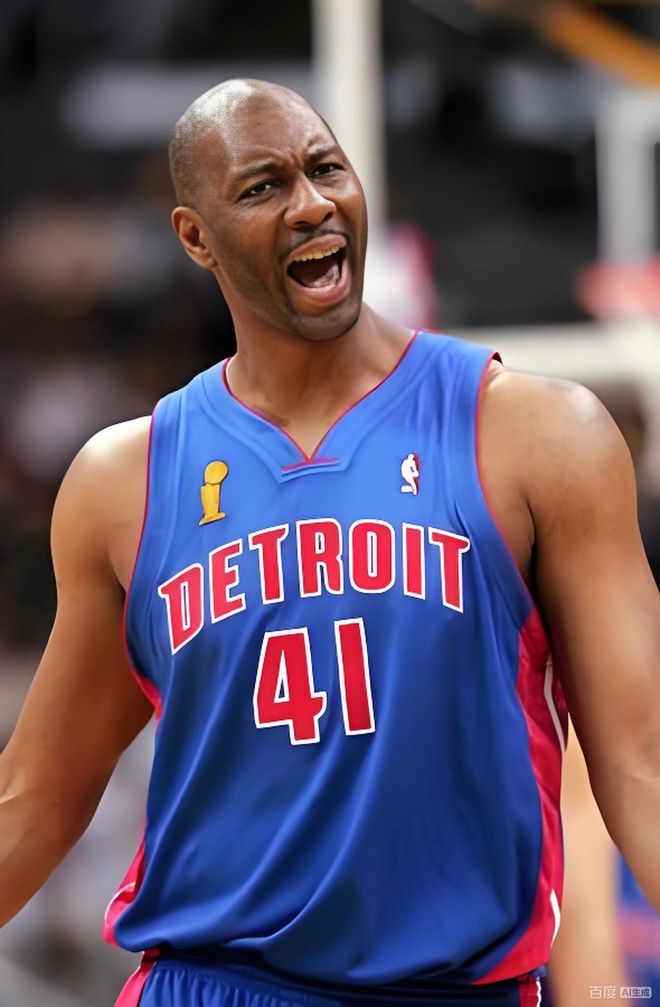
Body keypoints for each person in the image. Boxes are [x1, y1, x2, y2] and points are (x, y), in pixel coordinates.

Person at [1, 78, 659, 1007]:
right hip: (209, 982)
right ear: (195, 236)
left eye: (326, 169)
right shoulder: (126, 480)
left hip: (450, 988)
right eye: (263, 186)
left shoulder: (540, 435)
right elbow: (37, 794)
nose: (311, 203)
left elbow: (641, 761)